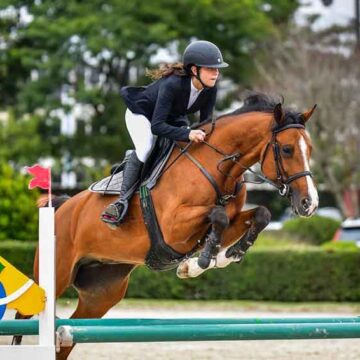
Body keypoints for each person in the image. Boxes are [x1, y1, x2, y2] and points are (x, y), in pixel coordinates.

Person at [101, 40, 228, 226]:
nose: (216, 72)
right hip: (142, 114)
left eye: (217, 69)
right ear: (194, 70)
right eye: (210, 68)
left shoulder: (210, 89)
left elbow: (205, 124)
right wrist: (188, 134)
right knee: (146, 148)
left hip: (172, 117)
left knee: (188, 145)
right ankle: (121, 203)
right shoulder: (173, 84)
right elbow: (157, 127)